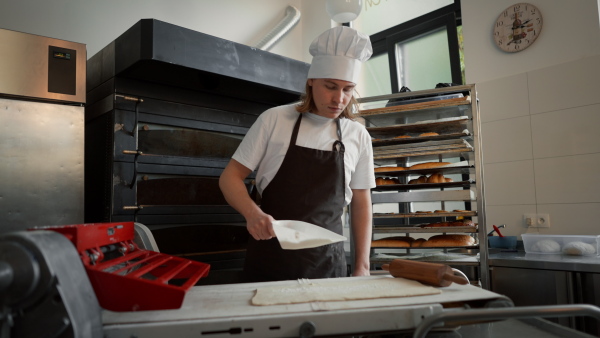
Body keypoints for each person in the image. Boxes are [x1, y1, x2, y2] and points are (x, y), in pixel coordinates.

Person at [219, 26, 375, 283]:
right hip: (271, 261)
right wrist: (252, 214)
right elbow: (230, 178)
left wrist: (363, 266)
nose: (339, 98)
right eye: (331, 86)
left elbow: (361, 202)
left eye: (348, 89)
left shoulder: (358, 135)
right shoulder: (275, 119)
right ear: (311, 80)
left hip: (329, 264)